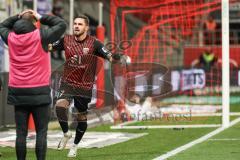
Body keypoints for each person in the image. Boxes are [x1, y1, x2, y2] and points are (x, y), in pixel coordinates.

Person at [0, 9, 66, 160]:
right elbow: (61, 24)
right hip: (40, 92)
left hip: (18, 92)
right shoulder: (41, 35)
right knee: (41, 132)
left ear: (18, 22)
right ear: (34, 22)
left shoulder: (11, 38)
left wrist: (17, 16)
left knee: (20, 133)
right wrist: (41, 17)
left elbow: (2, 25)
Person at [50, 14, 112, 158]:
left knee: (81, 118)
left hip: (84, 86)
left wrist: (118, 58)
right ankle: (66, 133)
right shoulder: (66, 40)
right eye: (75, 24)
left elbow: (109, 55)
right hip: (68, 82)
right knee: (59, 106)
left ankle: (75, 146)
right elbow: (50, 47)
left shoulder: (94, 43)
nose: (76, 26)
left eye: (80, 24)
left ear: (86, 27)